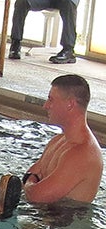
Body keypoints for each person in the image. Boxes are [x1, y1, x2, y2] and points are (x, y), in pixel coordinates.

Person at [23, 74, 103, 204]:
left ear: (70, 104)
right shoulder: (58, 140)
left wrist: (31, 181)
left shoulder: (83, 154)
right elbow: (31, 176)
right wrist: (32, 182)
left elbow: (36, 196)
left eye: (51, 99)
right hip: (44, 217)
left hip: (63, 222)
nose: (46, 105)